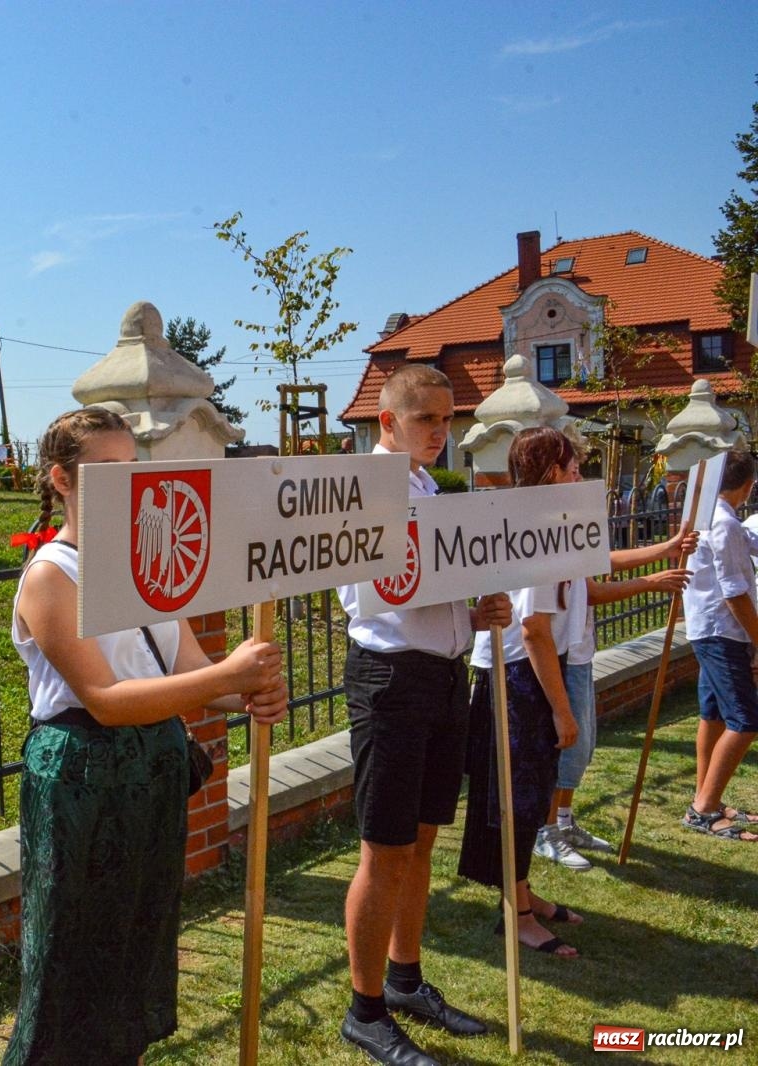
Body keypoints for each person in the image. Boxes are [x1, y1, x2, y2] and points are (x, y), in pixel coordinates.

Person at [2, 406, 289, 1065]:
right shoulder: (52, 575)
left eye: (132, 469)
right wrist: (228, 677)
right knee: (74, 959)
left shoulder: (142, 564)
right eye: (106, 472)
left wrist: (245, 688)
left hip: (149, 780)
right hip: (82, 785)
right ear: (62, 480)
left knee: (135, 948)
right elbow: (104, 699)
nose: (125, 484)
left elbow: (191, 674)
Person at [336, 365, 512, 1066]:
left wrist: (477, 610)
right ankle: (365, 1009)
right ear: (387, 422)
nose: (442, 432)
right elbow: (380, 593)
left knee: (423, 839)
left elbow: (430, 592)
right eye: (426, 420)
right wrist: (460, 585)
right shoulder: (365, 491)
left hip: (445, 675)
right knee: (384, 849)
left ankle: (404, 978)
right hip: (392, 681)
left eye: (448, 420)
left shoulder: (426, 486)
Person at [459, 426, 587, 959]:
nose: (579, 473)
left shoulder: (553, 523)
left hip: (523, 672)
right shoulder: (538, 527)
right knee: (516, 801)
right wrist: (562, 711)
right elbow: (533, 629)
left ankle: (523, 894)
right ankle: (518, 916)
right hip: (520, 676)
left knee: (524, 799)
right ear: (551, 472)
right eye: (572, 465)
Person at [532, 526, 695, 871]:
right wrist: (650, 582)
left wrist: (664, 549)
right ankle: (544, 831)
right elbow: (589, 592)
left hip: (581, 652)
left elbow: (600, 564)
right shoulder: (546, 534)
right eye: (573, 469)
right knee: (568, 749)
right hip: (565, 654)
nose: (578, 474)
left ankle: (563, 820)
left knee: (584, 748)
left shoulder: (570, 527)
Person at [680, 448, 758, 841]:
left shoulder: (713, 518)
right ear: (748, 486)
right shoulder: (722, 524)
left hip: (707, 628)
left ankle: (705, 795)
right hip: (721, 631)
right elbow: (735, 593)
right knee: (746, 720)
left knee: (712, 715)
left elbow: (750, 542)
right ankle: (704, 809)